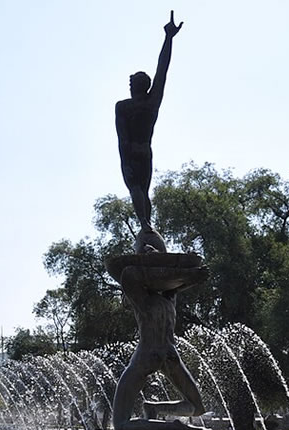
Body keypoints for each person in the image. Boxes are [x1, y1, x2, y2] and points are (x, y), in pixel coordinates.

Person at [111, 261, 208, 430]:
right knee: (196, 407)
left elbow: (129, 273)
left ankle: (165, 419)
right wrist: (191, 276)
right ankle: (166, 420)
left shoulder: (143, 300)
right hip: (169, 353)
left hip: (148, 354)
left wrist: (147, 257)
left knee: (120, 424)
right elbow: (176, 285)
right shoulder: (168, 300)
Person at [115, 11, 183, 252]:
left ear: (135, 86)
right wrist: (169, 39)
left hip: (133, 153)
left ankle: (145, 224)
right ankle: (146, 224)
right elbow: (162, 70)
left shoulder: (124, 106)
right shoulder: (152, 102)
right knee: (143, 192)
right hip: (145, 152)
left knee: (137, 189)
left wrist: (125, 162)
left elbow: (122, 138)